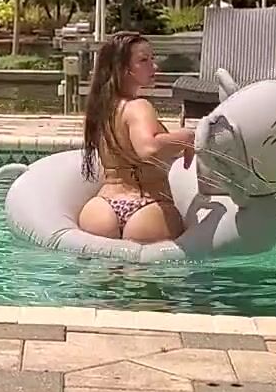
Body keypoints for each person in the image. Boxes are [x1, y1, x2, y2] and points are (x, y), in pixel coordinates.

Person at [76, 32, 197, 244]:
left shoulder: (102, 108)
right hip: (145, 206)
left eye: (152, 59)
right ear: (123, 69)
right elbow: (148, 148)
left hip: (101, 208)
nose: (154, 66)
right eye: (144, 60)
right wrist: (186, 136)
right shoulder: (138, 106)